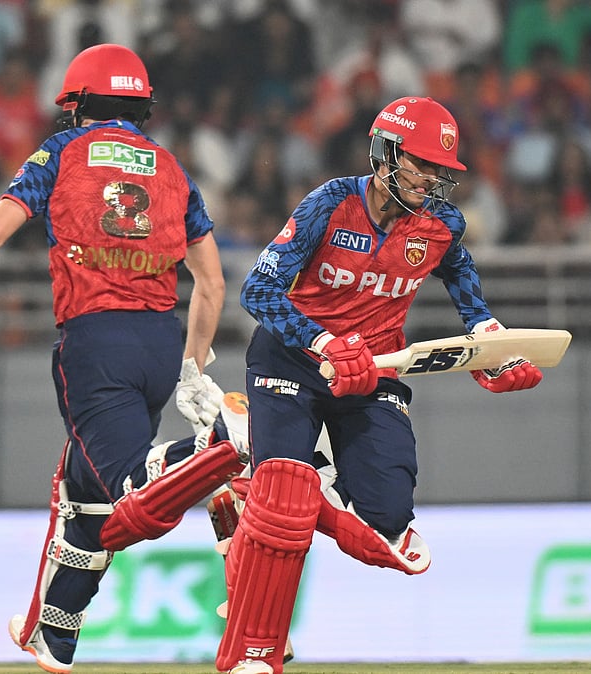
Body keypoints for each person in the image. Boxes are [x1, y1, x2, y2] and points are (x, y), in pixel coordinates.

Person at [0, 43, 242, 673]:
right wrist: (193, 367)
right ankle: (55, 634)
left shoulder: (62, 152)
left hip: (97, 340)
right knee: (82, 490)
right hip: (160, 343)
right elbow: (212, 283)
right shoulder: (173, 169)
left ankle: (222, 447)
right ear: (141, 106)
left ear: (80, 102)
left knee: (127, 490)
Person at [216, 96, 544, 674]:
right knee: (282, 504)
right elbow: (257, 293)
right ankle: (257, 646)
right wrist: (324, 343)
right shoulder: (329, 204)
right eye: (422, 165)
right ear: (385, 155)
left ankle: (278, 468)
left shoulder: (441, 224)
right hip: (293, 363)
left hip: (374, 370)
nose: (434, 179)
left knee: (390, 524)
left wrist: (489, 345)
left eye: (441, 169)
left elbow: (461, 274)